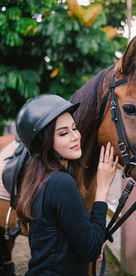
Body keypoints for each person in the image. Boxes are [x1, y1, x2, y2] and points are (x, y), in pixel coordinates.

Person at [16, 94, 118, 276]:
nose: (75, 136)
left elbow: (78, 235)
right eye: (63, 133)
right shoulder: (60, 182)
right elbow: (92, 250)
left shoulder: (40, 179)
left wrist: (96, 235)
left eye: (74, 128)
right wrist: (102, 188)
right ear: (43, 142)